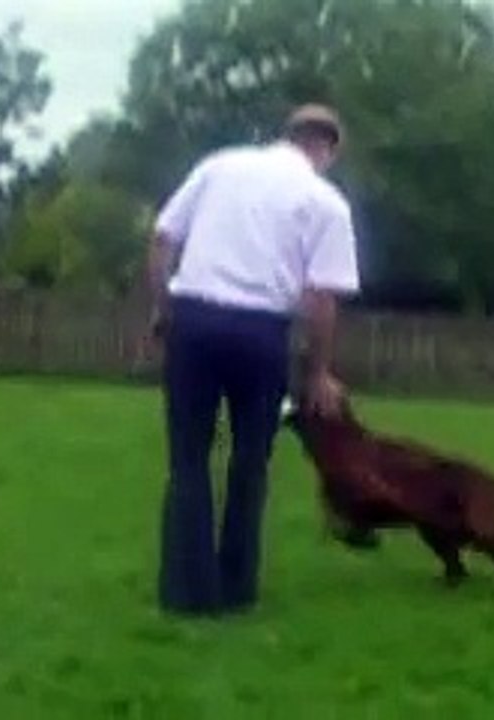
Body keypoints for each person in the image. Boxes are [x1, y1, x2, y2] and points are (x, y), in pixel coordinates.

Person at [147, 104, 361, 617]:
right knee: (250, 463)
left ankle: (186, 592)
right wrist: (317, 372)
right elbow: (322, 299)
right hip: (262, 332)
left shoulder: (220, 165)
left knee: (189, 459)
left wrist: (163, 309)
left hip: (196, 319)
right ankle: (236, 588)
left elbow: (161, 240)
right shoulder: (325, 201)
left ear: (286, 135)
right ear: (327, 149)